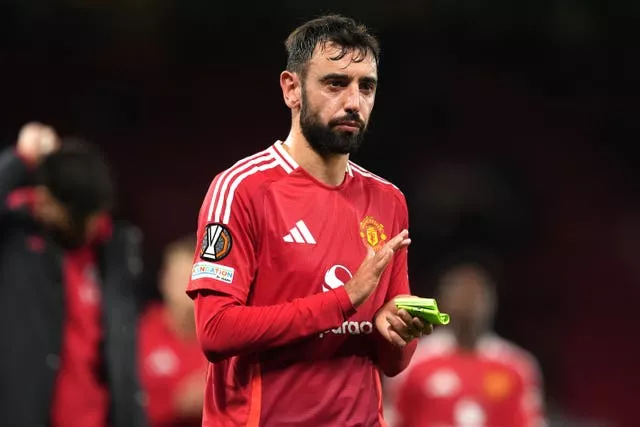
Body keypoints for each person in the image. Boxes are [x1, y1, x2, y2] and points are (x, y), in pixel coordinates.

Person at [186, 14, 434, 426]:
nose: (354, 102)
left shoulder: (388, 201)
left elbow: (393, 362)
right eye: (336, 83)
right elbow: (216, 331)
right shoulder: (242, 189)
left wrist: (395, 332)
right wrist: (343, 300)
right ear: (292, 89)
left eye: (366, 87)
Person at [0, 122, 146, 427]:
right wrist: (20, 159)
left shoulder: (114, 251)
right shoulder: (17, 240)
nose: (95, 224)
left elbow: (123, 357)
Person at [384, 258, 547, 427]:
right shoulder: (412, 361)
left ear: (493, 302)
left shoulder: (518, 366)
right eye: (462, 293)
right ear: (443, 301)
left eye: (478, 294)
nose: (470, 301)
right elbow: (392, 419)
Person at [139, 235, 207, 427]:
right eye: (179, 279)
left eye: (193, 279)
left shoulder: (225, 340)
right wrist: (176, 404)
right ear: (163, 280)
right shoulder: (140, 335)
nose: (187, 290)